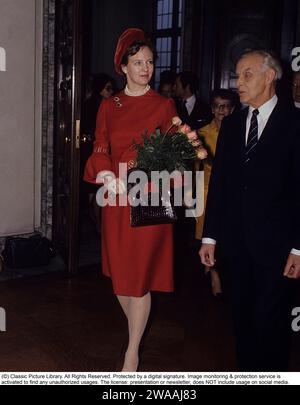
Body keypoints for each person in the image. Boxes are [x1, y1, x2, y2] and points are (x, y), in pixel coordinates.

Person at [199, 49, 300, 371]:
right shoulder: (232, 124)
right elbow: (221, 185)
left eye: (247, 75)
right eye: (237, 74)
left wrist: (299, 247)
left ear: (270, 77)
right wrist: (210, 236)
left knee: (271, 322)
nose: (238, 82)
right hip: (236, 243)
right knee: (241, 319)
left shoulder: (296, 123)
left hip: (279, 246)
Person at [83, 28, 177, 372]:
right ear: (123, 66)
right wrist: (106, 173)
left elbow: (176, 151)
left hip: (149, 196)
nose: (146, 68)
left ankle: (132, 351)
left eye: (150, 62)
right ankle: (134, 334)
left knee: (139, 279)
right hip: (117, 198)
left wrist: (154, 168)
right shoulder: (110, 105)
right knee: (122, 277)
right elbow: (100, 145)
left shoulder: (165, 104)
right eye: (138, 62)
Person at [195, 89, 237, 297]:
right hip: (206, 191)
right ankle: (213, 273)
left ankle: (216, 269)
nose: (222, 110)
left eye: (226, 106)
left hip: (232, 193)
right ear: (212, 109)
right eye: (218, 106)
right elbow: (194, 167)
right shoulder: (201, 133)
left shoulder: (240, 132)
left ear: (233, 109)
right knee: (208, 234)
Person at [81, 73, 116, 231]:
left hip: (106, 152)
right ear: (100, 89)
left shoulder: (112, 105)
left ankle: (99, 223)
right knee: (96, 189)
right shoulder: (92, 105)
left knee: (100, 190)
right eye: (107, 88)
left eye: (111, 88)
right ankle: (98, 225)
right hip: (93, 151)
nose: (110, 92)